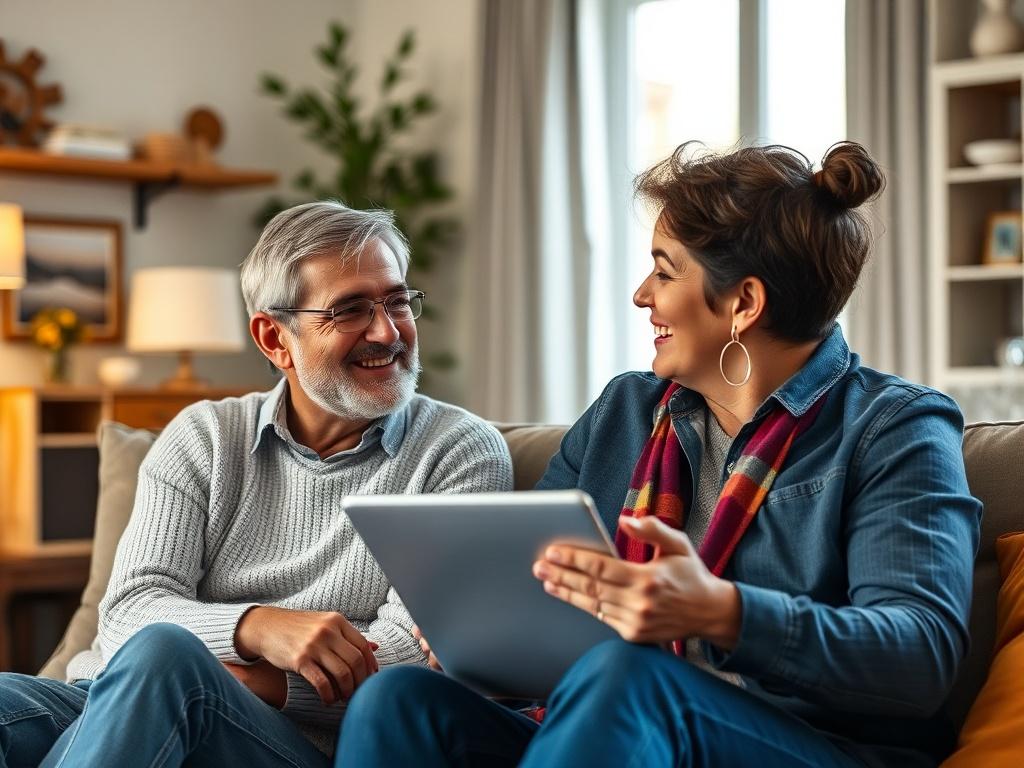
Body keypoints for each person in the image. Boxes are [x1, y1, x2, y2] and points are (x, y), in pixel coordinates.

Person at [335, 143, 982, 768]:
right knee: (399, 701)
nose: (643, 294)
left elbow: (918, 654)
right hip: (614, 724)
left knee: (630, 675)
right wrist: (475, 622)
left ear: (744, 304)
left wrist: (721, 611)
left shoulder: (894, 426)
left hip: (813, 744)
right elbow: (533, 581)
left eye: (665, 271)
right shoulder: (626, 412)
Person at [0, 201, 512, 767]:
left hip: (283, 742)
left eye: (396, 301)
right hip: (103, 699)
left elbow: (408, 663)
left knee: (169, 659)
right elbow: (127, 614)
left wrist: (225, 676)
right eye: (349, 311)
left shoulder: (458, 452)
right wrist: (257, 627)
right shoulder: (205, 436)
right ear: (274, 339)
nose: (387, 331)